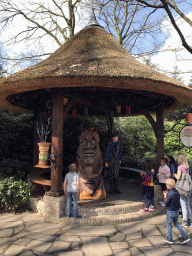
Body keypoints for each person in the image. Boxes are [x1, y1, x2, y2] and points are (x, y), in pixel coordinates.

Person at [163, 178, 190, 245]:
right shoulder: (176, 192)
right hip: (176, 211)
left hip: (170, 212)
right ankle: (184, 237)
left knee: (169, 224)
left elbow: (166, 203)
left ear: (169, 186)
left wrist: (165, 197)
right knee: (177, 224)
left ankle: (169, 238)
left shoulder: (169, 194)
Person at [173, 153, 192, 227]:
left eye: (178, 158)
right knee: (187, 205)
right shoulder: (187, 167)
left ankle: (185, 221)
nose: (177, 159)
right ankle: (190, 219)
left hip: (182, 189)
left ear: (181, 159)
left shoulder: (180, 167)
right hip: (187, 188)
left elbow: (178, 177)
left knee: (183, 205)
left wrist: (174, 174)